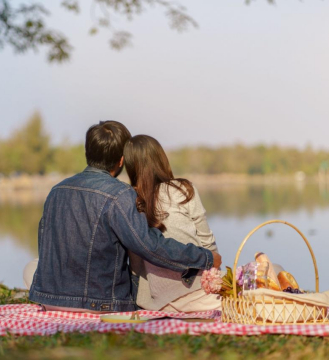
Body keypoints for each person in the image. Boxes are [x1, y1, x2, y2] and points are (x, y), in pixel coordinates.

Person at [27, 121, 221, 312]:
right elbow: (150, 246)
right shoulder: (119, 194)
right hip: (98, 303)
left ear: (88, 153)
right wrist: (205, 257)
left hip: (49, 298)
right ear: (121, 161)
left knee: (31, 267)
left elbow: (46, 246)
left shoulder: (56, 190)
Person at [125, 135, 221, 312]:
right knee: (272, 271)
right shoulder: (183, 189)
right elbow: (208, 244)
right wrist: (216, 278)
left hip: (159, 301)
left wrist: (147, 301)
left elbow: (136, 264)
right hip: (199, 292)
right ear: (161, 158)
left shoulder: (130, 200)